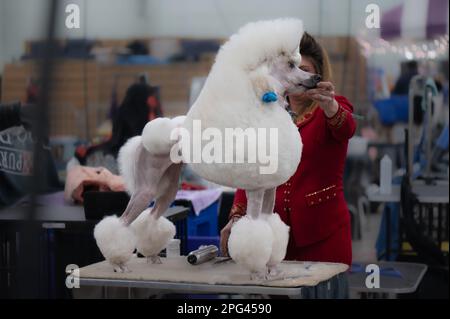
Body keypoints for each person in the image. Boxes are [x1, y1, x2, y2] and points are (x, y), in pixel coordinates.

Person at [220, 32, 356, 266]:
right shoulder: (268, 115)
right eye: (291, 69)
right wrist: (237, 216)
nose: (297, 76)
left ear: (317, 75)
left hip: (323, 237)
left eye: (304, 69)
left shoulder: (332, 108)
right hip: (273, 238)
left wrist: (330, 105)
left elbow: (346, 128)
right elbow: (252, 172)